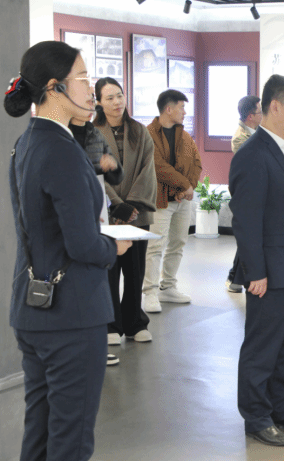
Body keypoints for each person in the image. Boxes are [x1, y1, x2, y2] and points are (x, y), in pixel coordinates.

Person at [5, 40, 131, 461]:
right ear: (54, 88)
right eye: (83, 78)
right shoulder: (62, 150)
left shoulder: (28, 142)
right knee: (71, 438)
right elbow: (82, 244)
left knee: (40, 431)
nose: (90, 89)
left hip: (33, 309)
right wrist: (113, 246)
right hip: (71, 315)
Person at [229, 74, 284, 447]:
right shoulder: (253, 154)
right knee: (262, 348)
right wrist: (256, 273)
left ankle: (278, 407)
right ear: (275, 106)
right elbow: (246, 221)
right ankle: (256, 416)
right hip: (271, 272)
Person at [93, 77, 157, 343]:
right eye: (109, 98)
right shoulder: (91, 133)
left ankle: (134, 322)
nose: (117, 102)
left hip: (137, 214)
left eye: (119, 95)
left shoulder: (139, 131)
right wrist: (117, 205)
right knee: (109, 270)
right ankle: (110, 325)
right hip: (108, 214)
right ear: (99, 102)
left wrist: (132, 204)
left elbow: (148, 169)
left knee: (135, 271)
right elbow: (94, 174)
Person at [69, 107, 125, 366]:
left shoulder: (95, 134)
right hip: (72, 211)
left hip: (96, 210)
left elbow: (116, 175)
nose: (89, 102)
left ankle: (96, 347)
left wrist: (111, 167)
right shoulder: (60, 134)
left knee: (96, 279)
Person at [143, 90, 203, 313]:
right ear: (169, 109)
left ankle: (168, 286)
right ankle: (150, 292)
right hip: (159, 201)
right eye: (181, 107)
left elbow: (196, 163)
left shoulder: (185, 136)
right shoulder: (148, 134)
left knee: (178, 243)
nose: (185, 112)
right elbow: (158, 166)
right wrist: (184, 186)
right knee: (155, 246)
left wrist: (187, 188)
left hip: (182, 200)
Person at [226, 95, 263, 293]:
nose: (263, 115)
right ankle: (234, 277)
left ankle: (235, 278)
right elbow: (255, 159)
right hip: (247, 195)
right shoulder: (240, 137)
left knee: (252, 239)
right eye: (260, 112)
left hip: (258, 194)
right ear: (250, 116)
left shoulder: (256, 131)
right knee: (248, 239)